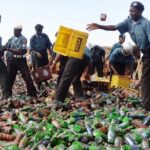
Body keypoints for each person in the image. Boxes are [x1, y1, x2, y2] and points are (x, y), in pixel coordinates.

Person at [86, 1, 150, 111]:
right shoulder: (128, 21)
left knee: (145, 80)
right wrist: (99, 26)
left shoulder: (146, 24)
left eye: (134, 11)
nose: (131, 13)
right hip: (146, 53)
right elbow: (115, 27)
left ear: (140, 12)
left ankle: (146, 107)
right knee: (146, 78)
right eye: (130, 10)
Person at [4, 25, 37, 98]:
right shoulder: (11, 39)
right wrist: (4, 48)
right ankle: (7, 95)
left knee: (27, 77)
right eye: (14, 30)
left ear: (20, 31)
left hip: (21, 60)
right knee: (10, 78)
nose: (14, 32)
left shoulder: (23, 39)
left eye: (16, 30)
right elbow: (5, 46)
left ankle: (32, 94)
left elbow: (21, 51)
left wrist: (8, 49)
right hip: (12, 61)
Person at [30, 24, 54, 89]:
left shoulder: (45, 36)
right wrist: (37, 53)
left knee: (45, 68)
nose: (39, 31)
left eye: (40, 30)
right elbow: (31, 49)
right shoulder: (33, 38)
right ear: (36, 30)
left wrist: (51, 54)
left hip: (44, 53)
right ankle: (39, 83)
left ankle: (46, 81)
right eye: (38, 30)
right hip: (36, 55)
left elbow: (49, 45)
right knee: (38, 69)